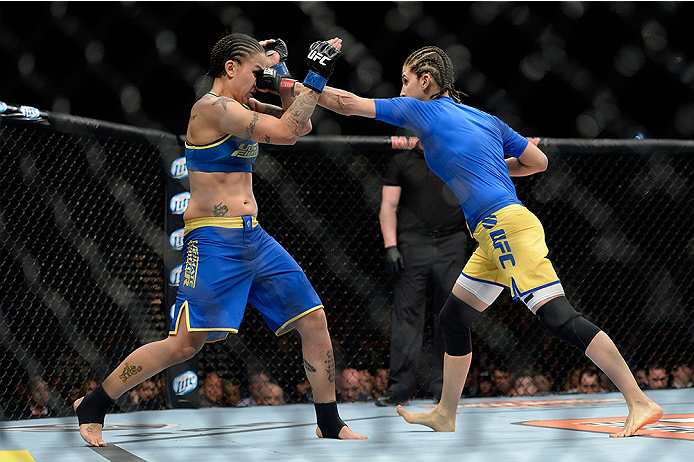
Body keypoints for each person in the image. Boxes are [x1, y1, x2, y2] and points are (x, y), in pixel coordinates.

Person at [311, 44, 662, 437]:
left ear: (426, 82)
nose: (402, 88)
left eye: (406, 81)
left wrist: (306, 79)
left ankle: (639, 401)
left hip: (503, 227)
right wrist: (492, 169)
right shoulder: (486, 119)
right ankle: (445, 413)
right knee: (454, 318)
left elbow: (345, 103)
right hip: (491, 233)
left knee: (559, 317)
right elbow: (538, 162)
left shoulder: (424, 109)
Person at [73, 33, 366, 446]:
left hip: (255, 238)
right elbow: (284, 132)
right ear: (230, 69)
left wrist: (279, 72)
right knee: (184, 346)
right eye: (253, 73)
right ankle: (95, 404)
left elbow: (300, 126)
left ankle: (329, 421)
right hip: (213, 240)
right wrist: (315, 74)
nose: (257, 81)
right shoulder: (211, 109)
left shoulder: (244, 105)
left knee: (314, 320)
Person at [377, 141, 468, 406]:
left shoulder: (455, 159)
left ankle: (444, 388)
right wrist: (391, 245)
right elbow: (388, 206)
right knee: (406, 316)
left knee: (449, 316)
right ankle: (399, 389)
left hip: (452, 241)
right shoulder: (403, 163)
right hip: (413, 243)